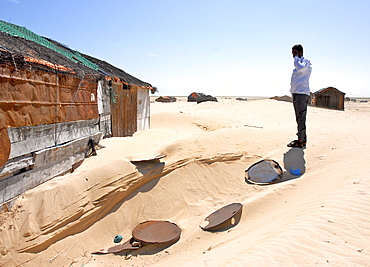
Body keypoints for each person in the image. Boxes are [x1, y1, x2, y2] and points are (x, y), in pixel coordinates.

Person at [288, 44, 312, 149]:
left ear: (300, 52)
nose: (293, 55)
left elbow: (299, 67)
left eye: (295, 53)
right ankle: (301, 138)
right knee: (299, 117)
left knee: (301, 117)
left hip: (301, 94)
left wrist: (297, 58)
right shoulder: (299, 63)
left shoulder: (305, 63)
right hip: (297, 93)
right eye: (292, 53)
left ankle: (301, 141)